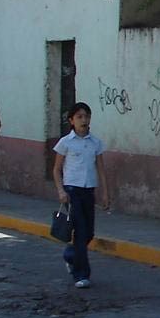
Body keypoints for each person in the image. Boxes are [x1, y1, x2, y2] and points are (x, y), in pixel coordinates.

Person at [52, 102, 111, 289]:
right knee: (81, 232)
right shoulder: (65, 143)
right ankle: (81, 275)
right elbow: (56, 169)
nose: (84, 120)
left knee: (89, 233)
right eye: (79, 117)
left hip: (88, 191)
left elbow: (101, 170)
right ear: (71, 120)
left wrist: (105, 193)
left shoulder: (96, 143)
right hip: (72, 191)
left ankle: (71, 255)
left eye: (86, 116)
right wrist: (61, 191)